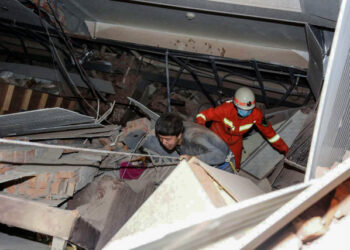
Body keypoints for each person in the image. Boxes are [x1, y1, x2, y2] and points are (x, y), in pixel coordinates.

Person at [196, 87, 289, 171]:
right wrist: (203, 133)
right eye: (242, 109)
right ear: (235, 105)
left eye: (249, 110)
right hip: (216, 138)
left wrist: (285, 150)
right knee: (208, 159)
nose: (246, 112)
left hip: (235, 143)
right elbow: (202, 116)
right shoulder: (225, 110)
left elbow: (271, 135)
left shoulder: (256, 115)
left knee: (235, 166)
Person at [142, 112, 230, 166]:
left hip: (224, 163)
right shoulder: (175, 127)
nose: (163, 142)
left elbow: (221, 156)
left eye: (167, 139)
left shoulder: (195, 139)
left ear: (179, 135)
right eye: (160, 138)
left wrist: (193, 158)